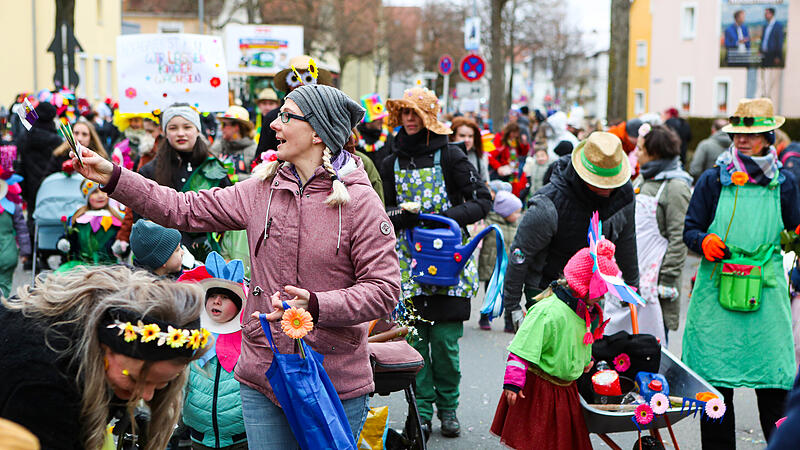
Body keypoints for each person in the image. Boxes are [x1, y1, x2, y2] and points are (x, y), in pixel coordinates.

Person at [71, 83, 400, 449]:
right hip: (262, 373)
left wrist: (318, 305)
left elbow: (384, 291)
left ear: (318, 132)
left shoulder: (360, 203)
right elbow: (183, 208)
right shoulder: (261, 188)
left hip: (332, 379)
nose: (274, 124)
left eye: (287, 116)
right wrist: (114, 177)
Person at [683, 98, 799, 448]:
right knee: (715, 394)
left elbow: (795, 229)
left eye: (751, 135)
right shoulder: (712, 179)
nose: (741, 140)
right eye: (737, 134)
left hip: (766, 290)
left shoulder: (785, 183)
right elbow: (691, 228)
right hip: (716, 293)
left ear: (767, 136)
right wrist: (703, 242)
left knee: (775, 386)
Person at [381, 86, 491, 439]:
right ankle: (421, 411)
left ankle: (449, 407)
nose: (409, 120)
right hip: (409, 266)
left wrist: (444, 218)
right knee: (416, 343)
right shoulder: (390, 160)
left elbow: (481, 201)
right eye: (405, 113)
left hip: (449, 265)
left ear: (428, 118)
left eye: (415, 114)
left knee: (444, 345)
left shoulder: (452, 156)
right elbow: (382, 213)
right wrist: (404, 217)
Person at [0, 265, 211, 449]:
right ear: (104, 346)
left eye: (161, 384)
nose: (146, 395)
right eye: (134, 378)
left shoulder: (104, 355)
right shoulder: (44, 381)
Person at [491, 239, 621, 450]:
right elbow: (521, 348)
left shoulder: (583, 312)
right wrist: (513, 383)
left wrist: (585, 361)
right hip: (540, 390)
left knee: (562, 444)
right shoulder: (548, 311)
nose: (605, 294)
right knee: (540, 443)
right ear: (584, 285)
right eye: (602, 288)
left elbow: (578, 340)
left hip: (565, 389)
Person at [503, 132, 639, 332]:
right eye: (600, 184)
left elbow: (627, 242)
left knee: (584, 359)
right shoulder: (548, 205)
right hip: (546, 292)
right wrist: (512, 306)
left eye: (611, 184)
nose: (608, 191)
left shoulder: (624, 196)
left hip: (592, 295)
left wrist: (632, 288)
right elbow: (520, 254)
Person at [604, 124, 691, 344]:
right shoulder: (642, 179)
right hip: (630, 276)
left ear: (655, 154)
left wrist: (667, 279)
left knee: (652, 347)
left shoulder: (676, 188)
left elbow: (678, 237)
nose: (636, 153)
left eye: (641, 150)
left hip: (655, 286)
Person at [136, 104, 231, 259]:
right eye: (173, 128)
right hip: (164, 257)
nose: (181, 133)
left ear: (197, 130)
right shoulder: (149, 171)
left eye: (187, 127)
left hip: (207, 255)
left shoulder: (214, 168)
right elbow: (140, 218)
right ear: (164, 132)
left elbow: (229, 212)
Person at [180, 254, 248, 450]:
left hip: (239, 438)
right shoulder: (192, 335)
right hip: (199, 437)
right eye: (212, 296)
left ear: (238, 307)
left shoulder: (247, 340)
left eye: (225, 297)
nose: (216, 301)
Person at [255, 55, 334, 161]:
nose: (301, 83)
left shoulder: (327, 115)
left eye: (307, 78)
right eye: (295, 78)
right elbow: (261, 157)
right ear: (289, 83)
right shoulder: (272, 118)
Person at [477, 191, 522, 330]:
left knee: (509, 295)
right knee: (491, 292)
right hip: (492, 266)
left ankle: (509, 322)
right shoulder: (491, 224)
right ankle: (484, 317)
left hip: (509, 266)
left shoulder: (516, 226)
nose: (518, 216)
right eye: (516, 212)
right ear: (505, 212)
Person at [17, 102, 62, 239]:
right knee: (53, 214)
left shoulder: (25, 137)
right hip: (50, 183)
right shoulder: (56, 140)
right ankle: (51, 247)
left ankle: (33, 252)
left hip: (30, 182)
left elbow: (21, 162)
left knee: (32, 215)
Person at [55, 178, 123, 268]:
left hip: (109, 266)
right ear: (87, 196)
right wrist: (64, 243)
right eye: (95, 192)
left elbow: (123, 239)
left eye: (103, 191)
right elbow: (70, 238)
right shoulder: (77, 218)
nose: (100, 196)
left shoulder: (117, 218)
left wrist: (121, 247)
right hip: (80, 265)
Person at [0, 168, 30, 297]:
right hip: (8, 250)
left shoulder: (11, 206)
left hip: (7, 251)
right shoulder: (12, 206)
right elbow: (22, 229)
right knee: (5, 283)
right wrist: (25, 251)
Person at [211, 105, 258, 178]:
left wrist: (237, 178)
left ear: (236, 127)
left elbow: (258, 178)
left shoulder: (253, 149)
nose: (221, 128)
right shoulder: (220, 144)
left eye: (224, 124)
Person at [355, 93, 393, 171]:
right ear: (368, 120)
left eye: (382, 117)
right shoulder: (355, 139)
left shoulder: (388, 137)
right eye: (378, 118)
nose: (382, 120)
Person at [450, 116, 489, 183]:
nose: (467, 140)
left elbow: (485, 183)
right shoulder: (445, 155)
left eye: (470, 136)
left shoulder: (479, 157)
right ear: (453, 137)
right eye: (462, 136)